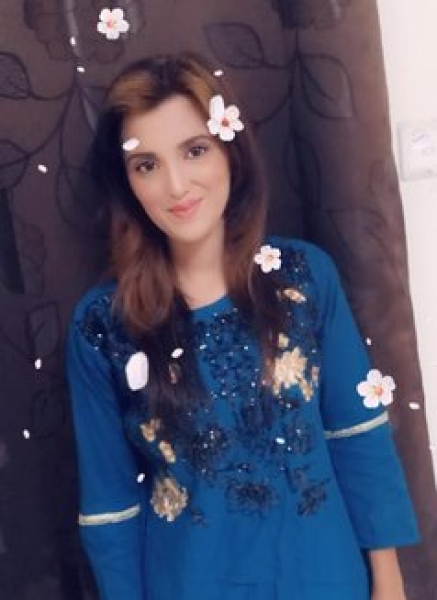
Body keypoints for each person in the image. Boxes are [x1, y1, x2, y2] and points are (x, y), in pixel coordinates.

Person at [66, 52, 419, 600]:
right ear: (127, 182)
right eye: (147, 165)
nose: (176, 185)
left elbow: (357, 432)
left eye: (195, 150)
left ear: (230, 149)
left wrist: (389, 579)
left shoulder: (303, 278)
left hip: (323, 579)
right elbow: (109, 502)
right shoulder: (104, 324)